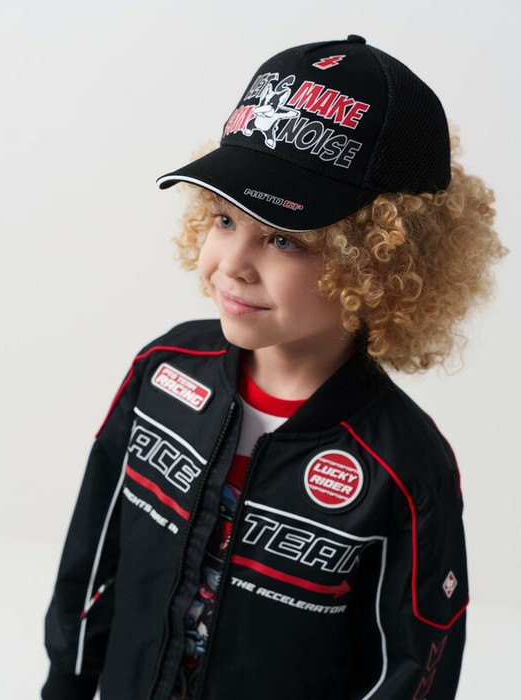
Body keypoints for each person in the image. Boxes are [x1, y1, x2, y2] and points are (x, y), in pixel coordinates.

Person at [41, 36, 506, 700]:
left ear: (378, 264)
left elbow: (410, 672)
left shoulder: (402, 466)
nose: (232, 263)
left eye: (284, 238)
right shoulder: (164, 373)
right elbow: (92, 559)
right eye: (224, 219)